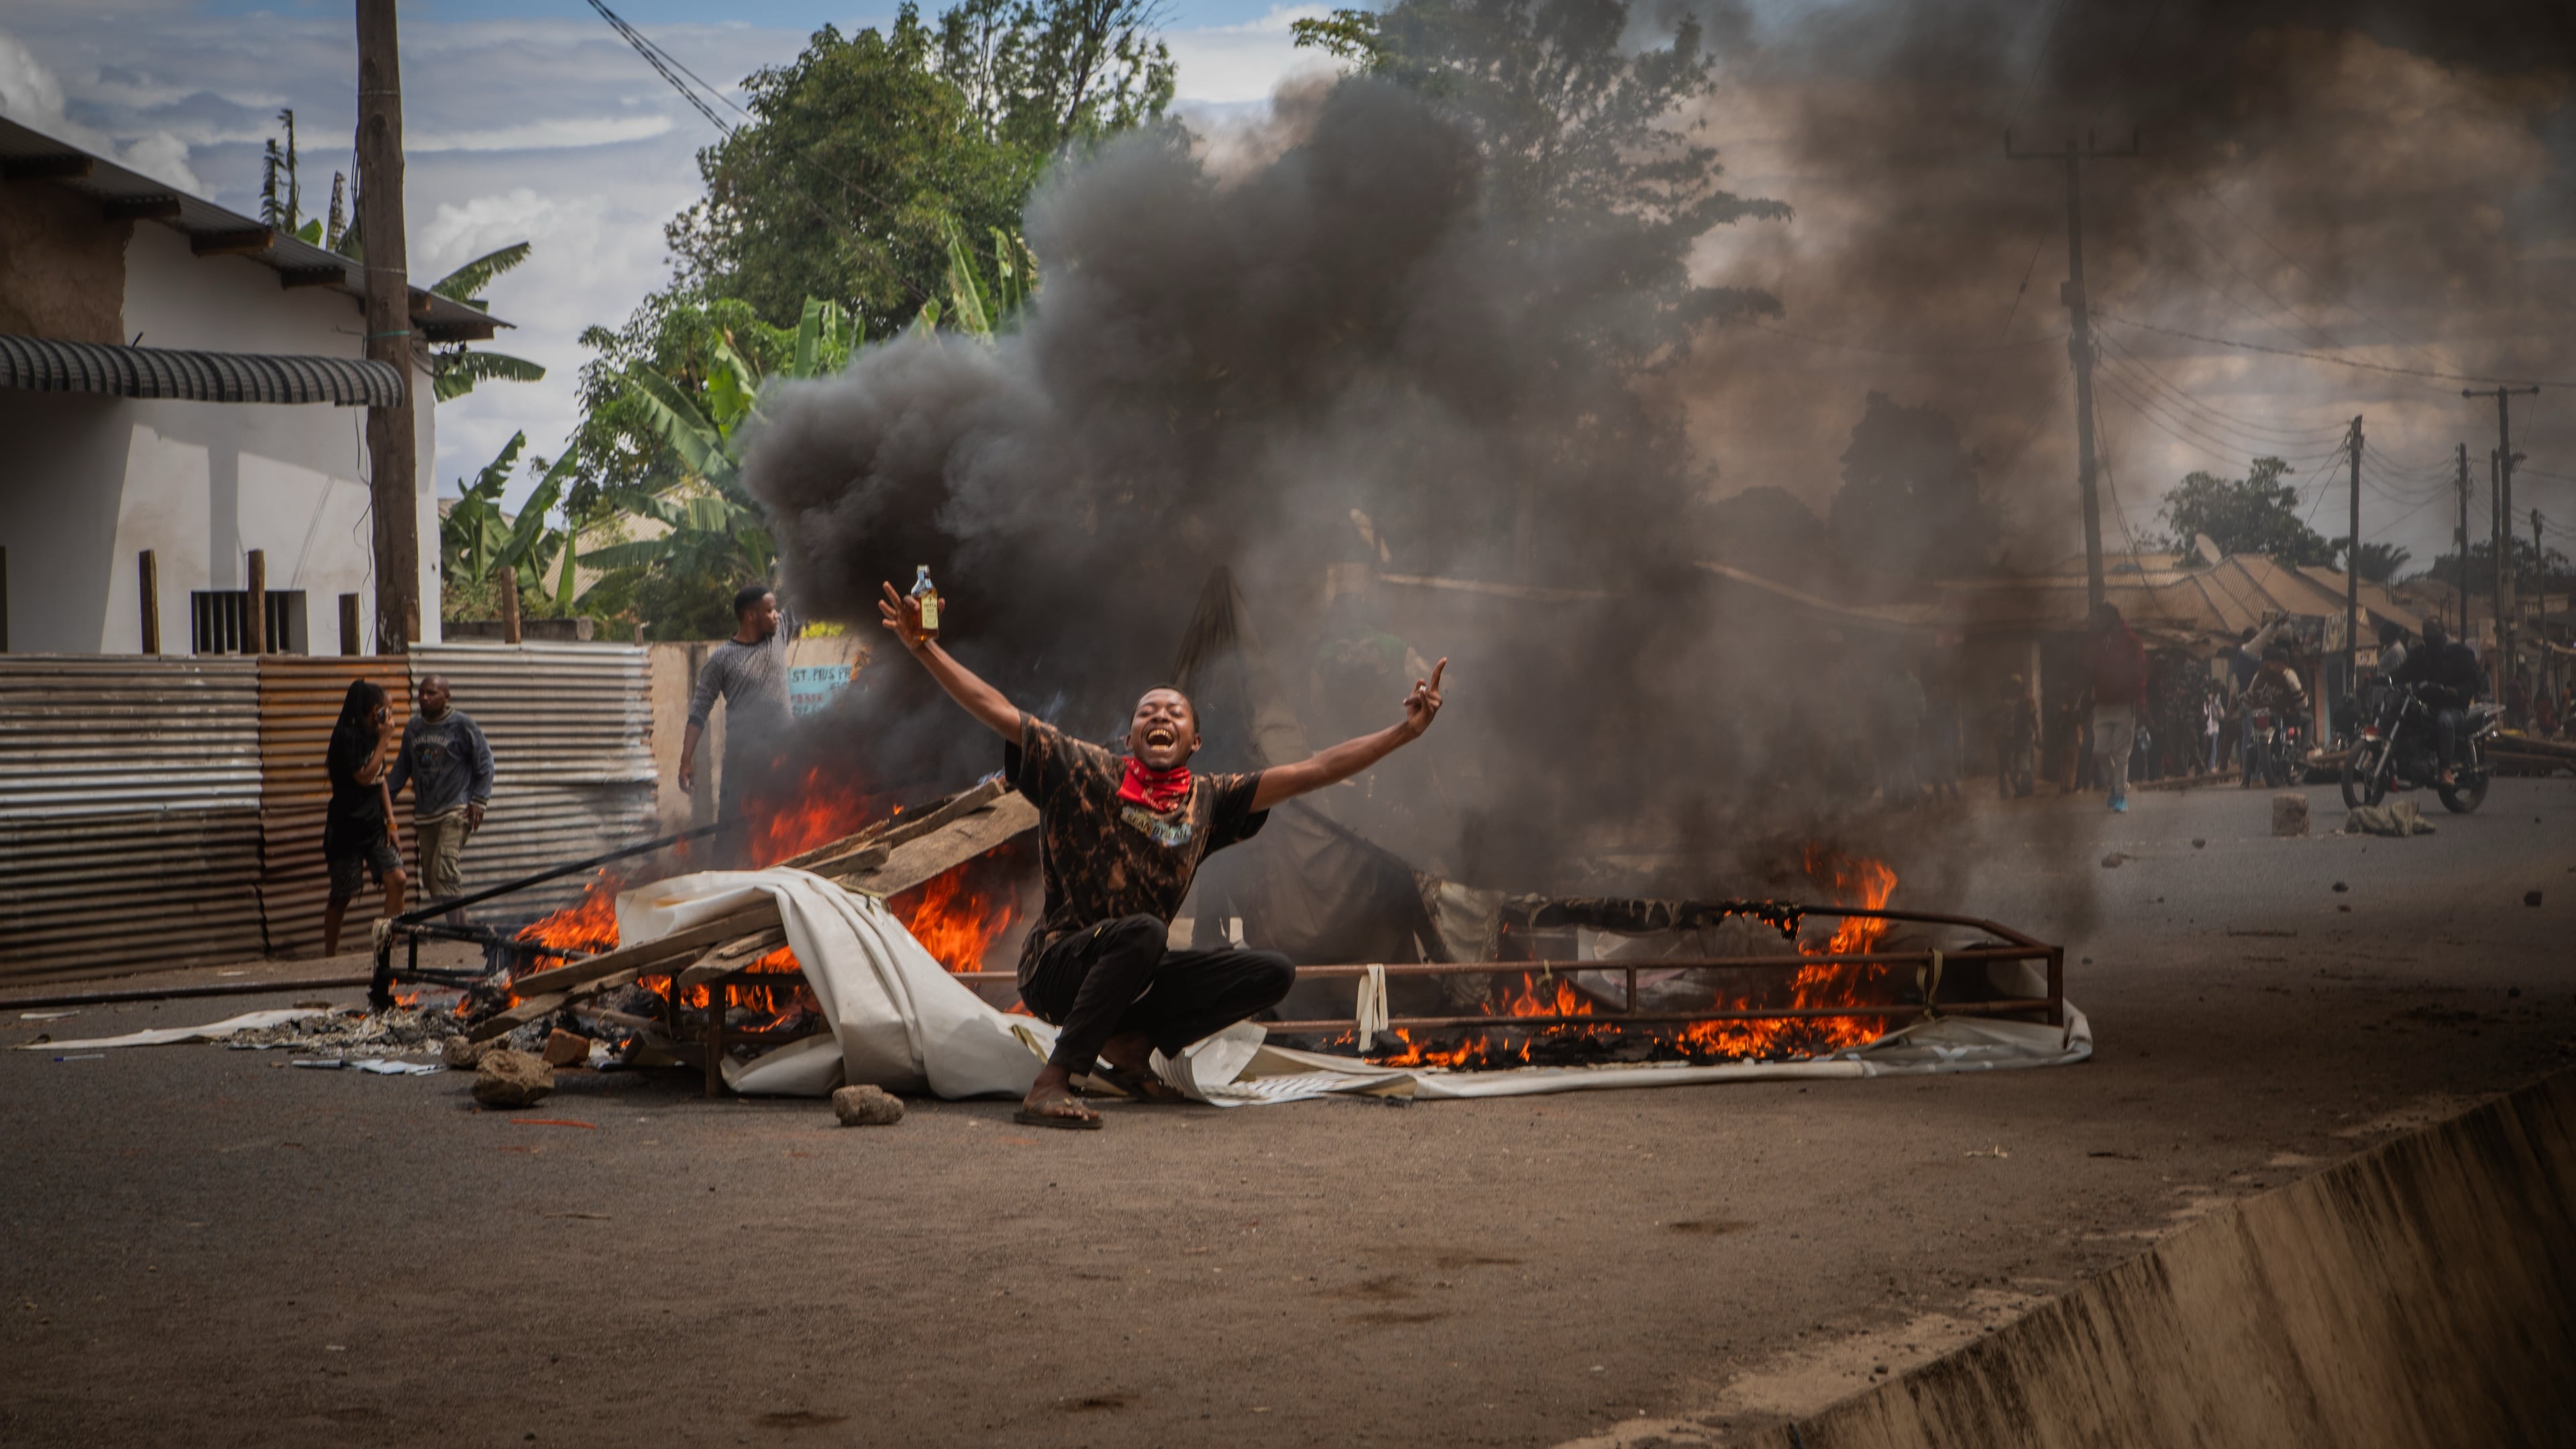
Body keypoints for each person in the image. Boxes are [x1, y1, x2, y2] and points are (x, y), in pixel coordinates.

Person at [877, 578, 1446, 1130]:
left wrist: (1405, 733)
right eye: (1148, 713)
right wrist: (924, 648)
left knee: (1271, 972)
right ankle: (1053, 1082)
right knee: (1145, 931)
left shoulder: (1210, 800)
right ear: (1129, 739)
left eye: (1174, 713)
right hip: (1058, 968)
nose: (1160, 718)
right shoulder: (1085, 771)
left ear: (1194, 743)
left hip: (1137, 973)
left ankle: (1135, 1045)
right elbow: (997, 710)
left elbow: (1315, 770)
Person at [680, 584, 794, 861]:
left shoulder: (779, 634)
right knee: (732, 838)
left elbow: (806, 591)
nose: (777, 615)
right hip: (742, 764)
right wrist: (686, 760)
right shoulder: (722, 660)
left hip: (787, 754)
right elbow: (699, 711)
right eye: (769, 610)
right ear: (751, 615)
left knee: (791, 826)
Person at [385, 673, 493, 918]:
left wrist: (479, 800)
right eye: (421, 693)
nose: (424, 698)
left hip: (456, 810)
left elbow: (485, 762)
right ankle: (460, 930)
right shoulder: (414, 728)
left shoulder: (462, 725)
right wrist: (384, 804)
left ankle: (461, 933)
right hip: (426, 815)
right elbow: (401, 769)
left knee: (445, 871)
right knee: (434, 881)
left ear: (447, 697)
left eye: (431, 693)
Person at [321, 679, 407, 956]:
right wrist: (385, 740)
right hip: (347, 827)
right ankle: (329, 956)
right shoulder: (346, 737)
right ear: (374, 711)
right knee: (343, 894)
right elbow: (363, 776)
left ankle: (387, 950)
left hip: (374, 825)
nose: (390, 717)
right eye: (387, 710)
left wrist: (391, 822)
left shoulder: (374, 735)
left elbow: (379, 779)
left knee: (397, 879)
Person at [2393, 616, 2483, 786]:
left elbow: (2475, 683)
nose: (2428, 634)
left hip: (2453, 706)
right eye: (2425, 631)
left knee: (2445, 721)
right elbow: (2404, 672)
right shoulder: (2419, 653)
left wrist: (2456, 691)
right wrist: (2385, 678)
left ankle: (2446, 769)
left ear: (2443, 631)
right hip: (2426, 705)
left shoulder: (2459, 652)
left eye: (2432, 631)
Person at [2084, 602, 2146, 812]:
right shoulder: (2096, 642)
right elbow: (2089, 671)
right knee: (2100, 751)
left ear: (2110, 619)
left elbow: (2139, 674)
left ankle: (2120, 797)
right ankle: (2120, 785)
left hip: (2124, 706)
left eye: (2099, 619)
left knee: (2120, 755)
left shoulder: (2131, 641)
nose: (2095, 623)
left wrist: (2140, 702)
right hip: (2102, 706)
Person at [2241, 645, 2309, 787]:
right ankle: (2303, 755)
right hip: (2283, 714)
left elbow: (2246, 703)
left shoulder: (2258, 676)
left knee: (2251, 742)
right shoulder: (2288, 674)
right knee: (2309, 720)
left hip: (2258, 714)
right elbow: (2303, 704)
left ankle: (2246, 779)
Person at [1989, 674, 2037, 798]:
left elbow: (2032, 718)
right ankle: (2019, 788)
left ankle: (2022, 789)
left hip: (2020, 738)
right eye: (2013, 686)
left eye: (2016, 685)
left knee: (2018, 765)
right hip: (2013, 739)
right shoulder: (2012, 704)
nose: (2014, 688)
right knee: (2015, 765)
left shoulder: (2025, 700)